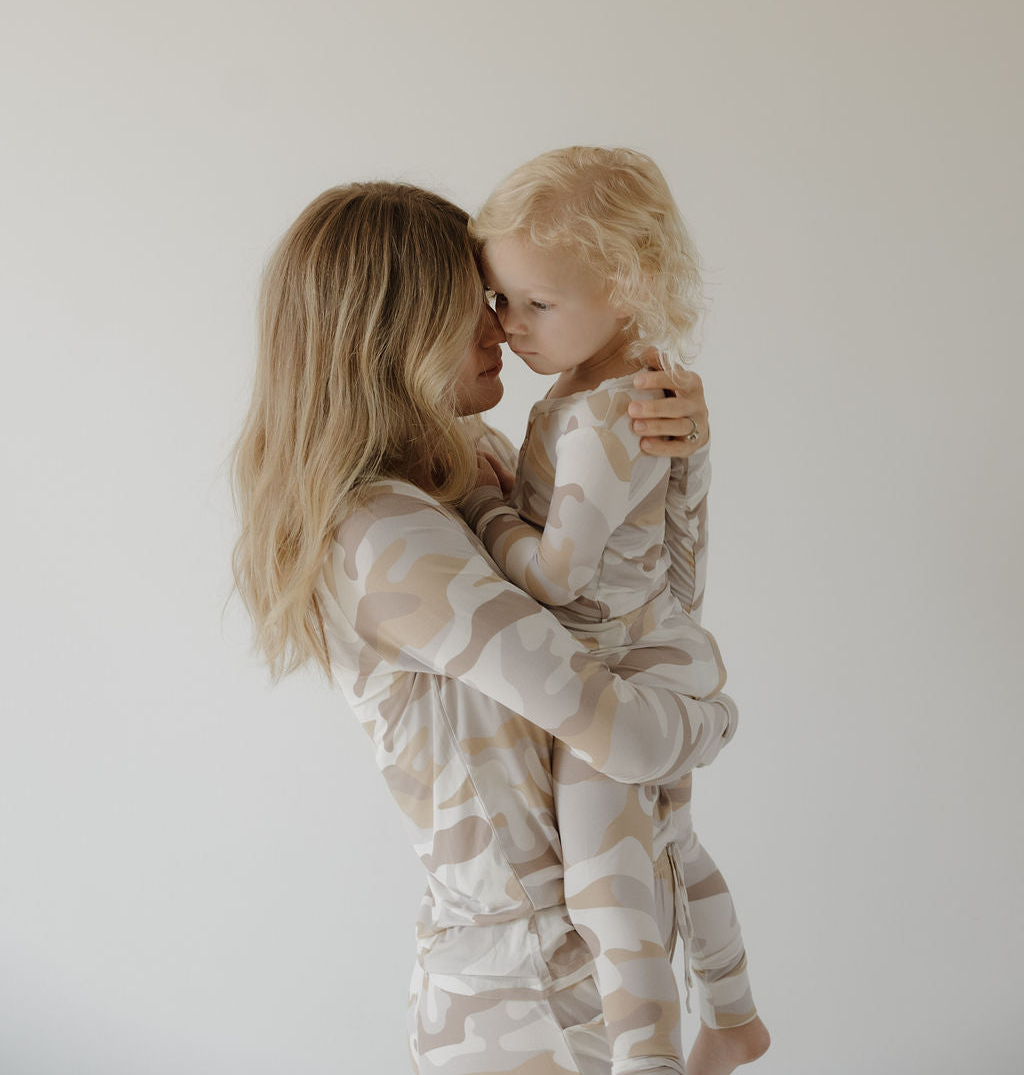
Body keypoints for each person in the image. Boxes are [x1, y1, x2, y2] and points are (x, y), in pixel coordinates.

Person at [232, 181, 738, 1075]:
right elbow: (617, 724)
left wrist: (677, 455)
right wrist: (716, 715)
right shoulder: (383, 537)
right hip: (522, 1003)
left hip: (599, 963)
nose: (500, 326)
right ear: (397, 330)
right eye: (478, 302)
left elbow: (648, 612)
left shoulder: (482, 462)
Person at [465, 147, 770, 1075]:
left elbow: (557, 577)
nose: (510, 327)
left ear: (629, 282)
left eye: (536, 304)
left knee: (609, 893)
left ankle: (653, 1061)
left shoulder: (605, 415)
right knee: (670, 842)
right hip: (647, 648)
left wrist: (488, 511)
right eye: (501, 301)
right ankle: (732, 1015)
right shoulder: (603, 390)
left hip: (623, 664)